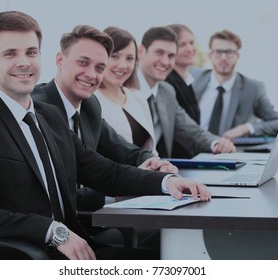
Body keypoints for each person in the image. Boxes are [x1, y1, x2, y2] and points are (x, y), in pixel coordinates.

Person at [0, 11, 211, 260]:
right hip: (28, 256)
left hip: (74, 251)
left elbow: (106, 172)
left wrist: (165, 182)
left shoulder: (48, 116)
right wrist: (53, 231)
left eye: (31, 52)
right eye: (10, 53)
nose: (24, 62)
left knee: (175, 261)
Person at [31, 25, 176, 217]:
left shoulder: (90, 105)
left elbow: (124, 150)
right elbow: (56, 196)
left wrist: (154, 163)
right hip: (54, 229)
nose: (92, 74)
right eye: (83, 63)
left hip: (90, 220)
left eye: (100, 68)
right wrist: (120, 192)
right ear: (60, 60)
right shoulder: (38, 108)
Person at [137, 26, 236, 158]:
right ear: (141, 51)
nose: (165, 61)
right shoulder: (124, 88)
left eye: (171, 55)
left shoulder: (166, 91)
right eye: (159, 53)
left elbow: (190, 131)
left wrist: (216, 143)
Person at [191, 29, 278, 140]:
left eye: (229, 52)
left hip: (229, 152)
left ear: (237, 56)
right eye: (218, 52)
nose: (224, 57)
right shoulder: (193, 79)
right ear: (210, 55)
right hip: (192, 150)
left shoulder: (252, 88)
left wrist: (246, 128)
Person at [93, 26, 156, 155]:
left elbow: (152, 152)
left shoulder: (138, 98)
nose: (123, 65)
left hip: (145, 173)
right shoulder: (90, 100)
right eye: (115, 56)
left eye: (130, 58)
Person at [165, 24, 201, 157]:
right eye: (183, 44)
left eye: (191, 43)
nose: (190, 49)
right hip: (178, 160)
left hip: (192, 155)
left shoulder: (187, 80)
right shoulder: (168, 82)